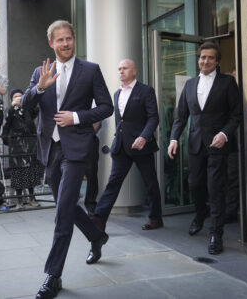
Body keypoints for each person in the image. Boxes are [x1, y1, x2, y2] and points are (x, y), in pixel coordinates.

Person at [21, 20, 113, 299]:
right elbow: (25, 107)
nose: (65, 44)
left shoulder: (91, 70)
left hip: (76, 149)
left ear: (74, 39)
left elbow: (107, 106)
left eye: (69, 38)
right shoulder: (41, 71)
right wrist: (38, 88)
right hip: (50, 148)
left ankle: (53, 275)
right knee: (67, 205)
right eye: (59, 40)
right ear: (51, 43)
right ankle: (96, 235)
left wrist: (77, 117)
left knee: (62, 212)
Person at [168, 42, 242, 255]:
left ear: (217, 61)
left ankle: (215, 234)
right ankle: (200, 214)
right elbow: (181, 116)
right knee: (194, 183)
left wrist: (225, 134)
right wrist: (174, 138)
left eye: (210, 58)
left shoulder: (227, 83)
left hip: (218, 144)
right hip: (195, 144)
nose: (205, 61)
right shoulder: (190, 84)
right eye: (202, 57)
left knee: (215, 187)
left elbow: (236, 114)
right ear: (198, 59)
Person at [91, 59, 163, 233]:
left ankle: (156, 218)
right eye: (119, 69)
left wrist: (144, 137)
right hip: (121, 147)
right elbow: (120, 121)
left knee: (150, 183)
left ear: (134, 71)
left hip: (141, 146)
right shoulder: (116, 93)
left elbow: (153, 117)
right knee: (113, 182)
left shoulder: (146, 91)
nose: (121, 71)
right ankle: (99, 218)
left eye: (124, 68)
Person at [4, 89, 43, 209]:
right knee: (18, 174)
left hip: (30, 145)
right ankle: (19, 201)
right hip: (16, 146)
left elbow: (36, 112)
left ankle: (32, 198)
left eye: (21, 96)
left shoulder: (29, 110)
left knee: (30, 172)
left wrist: (26, 104)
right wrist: (13, 106)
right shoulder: (9, 110)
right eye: (16, 96)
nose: (18, 98)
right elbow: (7, 118)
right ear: (11, 99)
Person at [84, 118, 101, 215]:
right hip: (72, 139)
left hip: (89, 140)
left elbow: (98, 122)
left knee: (91, 172)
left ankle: (90, 204)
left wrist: (88, 137)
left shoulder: (93, 102)